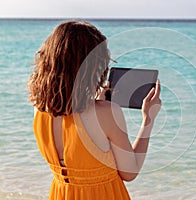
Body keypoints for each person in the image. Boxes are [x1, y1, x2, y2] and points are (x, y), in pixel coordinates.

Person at [27, 20, 161, 200]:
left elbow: (74, 125)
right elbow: (130, 172)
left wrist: (95, 101)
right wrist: (148, 120)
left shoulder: (39, 108)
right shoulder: (106, 113)